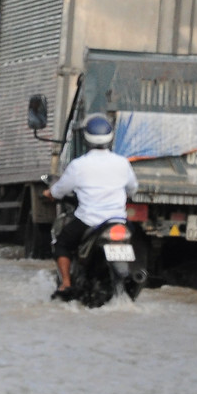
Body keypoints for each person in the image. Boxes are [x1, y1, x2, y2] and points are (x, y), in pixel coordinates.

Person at [43, 114, 138, 300]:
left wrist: (49, 193)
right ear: (111, 137)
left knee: (61, 244)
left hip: (89, 221)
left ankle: (66, 283)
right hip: (118, 221)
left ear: (86, 138)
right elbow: (133, 188)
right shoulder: (122, 163)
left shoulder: (79, 165)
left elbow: (60, 190)